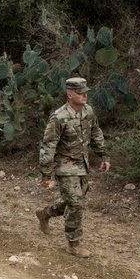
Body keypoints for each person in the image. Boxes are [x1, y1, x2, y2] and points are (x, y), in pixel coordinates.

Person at [36, 77, 110, 258]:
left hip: (82, 164)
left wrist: (103, 155)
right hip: (65, 166)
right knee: (76, 204)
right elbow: (48, 146)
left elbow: (96, 132)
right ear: (70, 94)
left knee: (74, 201)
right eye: (80, 92)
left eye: (86, 92)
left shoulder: (88, 111)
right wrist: (46, 174)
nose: (85, 95)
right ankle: (73, 244)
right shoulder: (59, 117)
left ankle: (45, 213)